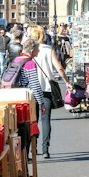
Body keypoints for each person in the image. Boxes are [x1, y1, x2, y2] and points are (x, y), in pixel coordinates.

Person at [27, 24, 69, 159]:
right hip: (46, 89)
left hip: (31, 90)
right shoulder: (48, 49)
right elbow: (59, 67)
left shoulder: (28, 51)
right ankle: (45, 149)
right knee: (46, 120)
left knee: (32, 121)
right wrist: (67, 82)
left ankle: (30, 150)